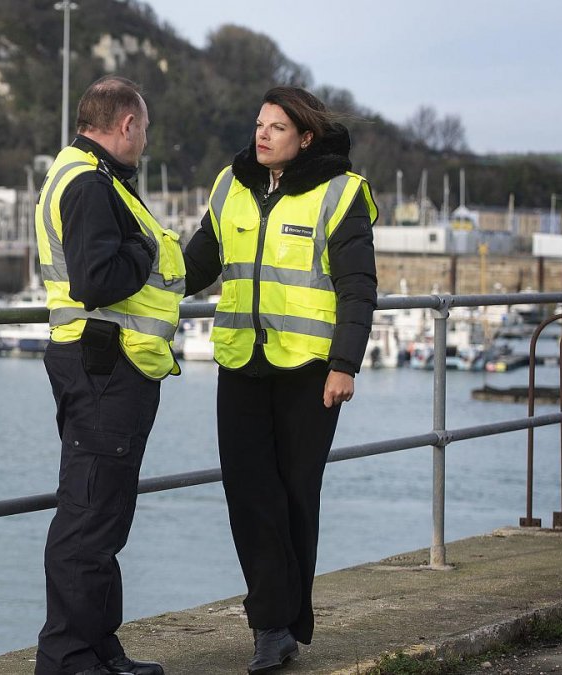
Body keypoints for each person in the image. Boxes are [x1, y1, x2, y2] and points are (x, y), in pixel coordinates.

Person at [182, 86, 378, 673]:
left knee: (295, 495)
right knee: (248, 493)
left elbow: (357, 287)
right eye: (259, 124)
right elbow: (196, 265)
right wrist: (139, 275)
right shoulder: (229, 186)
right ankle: (273, 624)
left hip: (310, 370)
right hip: (241, 362)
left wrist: (345, 364)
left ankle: (287, 623)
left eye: (277, 128)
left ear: (306, 138)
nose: (262, 135)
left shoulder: (340, 194)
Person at [33, 75, 184, 675]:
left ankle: (99, 648)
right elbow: (95, 280)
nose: (145, 141)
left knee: (104, 515)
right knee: (89, 517)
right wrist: (147, 251)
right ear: (125, 124)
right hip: (102, 364)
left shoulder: (83, 176)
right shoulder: (93, 185)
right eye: (143, 129)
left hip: (106, 362)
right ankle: (69, 656)